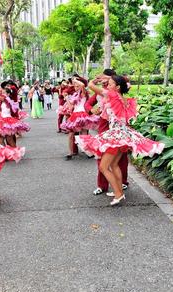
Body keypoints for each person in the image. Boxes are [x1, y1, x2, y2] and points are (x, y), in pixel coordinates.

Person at [76, 74, 164, 205]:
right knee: (113, 164)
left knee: (103, 167)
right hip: (120, 133)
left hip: (117, 135)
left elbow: (90, 86)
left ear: (117, 87)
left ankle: (118, 193)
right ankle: (119, 192)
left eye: (110, 84)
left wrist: (96, 80)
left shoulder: (112, 95)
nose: (107, 85)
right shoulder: (121, 98)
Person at [85, 69, 129, 196]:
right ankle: (104, 186)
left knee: (119, 160)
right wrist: (92, 110)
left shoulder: (112, 92)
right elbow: (88, 104)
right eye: (104, 80)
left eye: (108, 80)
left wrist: (95, 81)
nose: (104, 81)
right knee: (103, 159)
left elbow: (90, 85)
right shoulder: (104, 92)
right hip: (106, 128)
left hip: (116, 130)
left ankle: (120, 187)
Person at [61, 76, 98, 160]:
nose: (76, 87)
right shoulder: (74, 94)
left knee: (84, 134)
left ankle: (89, 152)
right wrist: (66, 98)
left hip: (82, 114)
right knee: (71, 134)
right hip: (75, 115)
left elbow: (82, 85)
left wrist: (74, 80)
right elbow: (71, 106)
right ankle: (70, 153)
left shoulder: (83, 93)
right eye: (75, 86)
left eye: (77, 86)